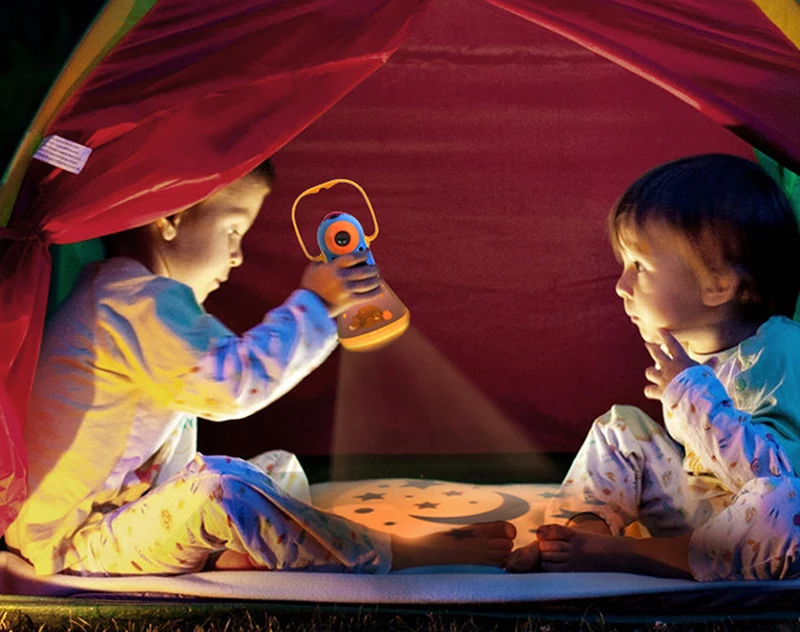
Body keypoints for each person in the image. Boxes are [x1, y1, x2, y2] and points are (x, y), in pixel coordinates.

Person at [6, 161, 514, 576]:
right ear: (170, 218)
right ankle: (396, 553)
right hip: (78, 542)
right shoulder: (132, 301)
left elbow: (222, 373)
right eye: (231, 230)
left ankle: (238, 555)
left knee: (275, 469)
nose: (237, 256)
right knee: (224, 487)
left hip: (124, 521)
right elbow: (233, 383)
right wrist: (315, 304)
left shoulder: (127, 295)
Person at [508, 153, 800, 580]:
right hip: (701, 512)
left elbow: (775, 475)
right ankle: (573, 538)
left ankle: (633, 555)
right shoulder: (692, 351)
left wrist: (689, 393)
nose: (621, 286)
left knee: (787, 504)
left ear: (717, 284)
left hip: (755, 528)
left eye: (639, 267)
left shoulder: (782, 350)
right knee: (620, 427)